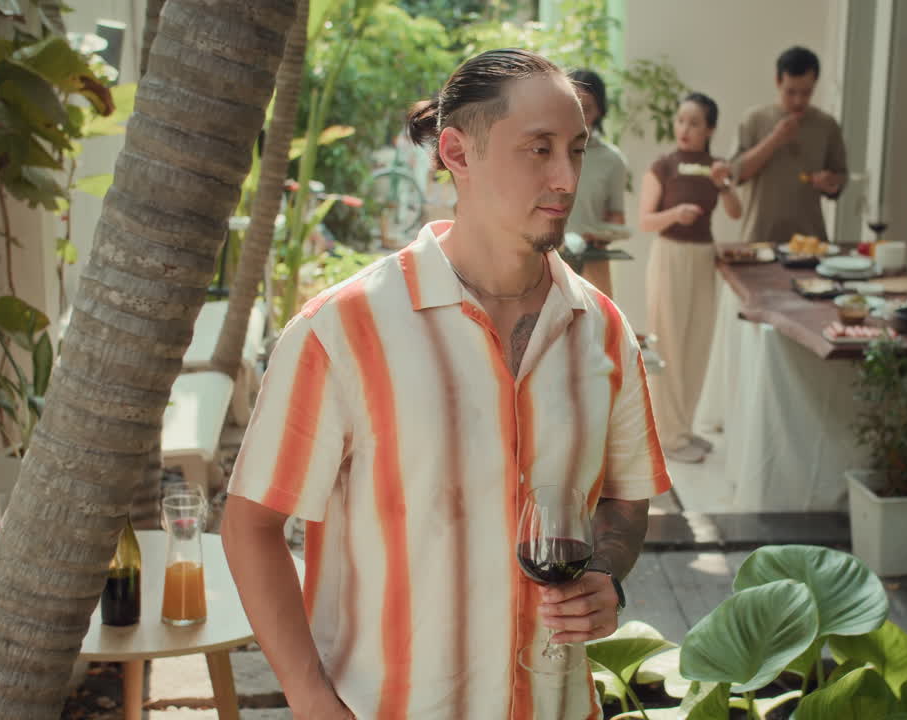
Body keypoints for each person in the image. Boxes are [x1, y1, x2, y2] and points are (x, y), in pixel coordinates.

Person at [222, 48, 671, 720]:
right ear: (457, 153)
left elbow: (626, 502)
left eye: (575, 150)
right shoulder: (340, 332)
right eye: (538, 149)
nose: (565, 177)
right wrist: (311, 697)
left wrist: (606, 571)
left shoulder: (603, 331)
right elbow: (250, 524)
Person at [639, 92, 742, 464]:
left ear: (710, 129)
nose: (684, 129)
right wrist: (674, 214)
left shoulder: (717, 167)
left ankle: (683, 429)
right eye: (681, 121)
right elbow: (645, 220)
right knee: (667, 343)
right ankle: (668, 436)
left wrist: (724, 183)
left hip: (704, 258)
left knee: (697, 344)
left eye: (694, 123)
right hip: (670, 256)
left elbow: (735, 211)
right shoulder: (663, 166)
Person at [733, 46, 848, 247]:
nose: (798, 100)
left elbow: (840, 179)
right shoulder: (754, 119)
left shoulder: (827, 125)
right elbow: (735, 174)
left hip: (810, 243)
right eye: (791, 92)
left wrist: (831, 182)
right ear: (778, 82)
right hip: (759, 240)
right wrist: (775, 139)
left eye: (806, 92)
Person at [564, 69, 630, 298]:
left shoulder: (612, 160)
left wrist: (601, 235)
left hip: (593, 260)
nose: (579, 114)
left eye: (587, 108)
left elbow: (616, 218)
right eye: (574, 105)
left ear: (600, 111)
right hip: (545, 257)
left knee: (600, 328)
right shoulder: (542, 150)